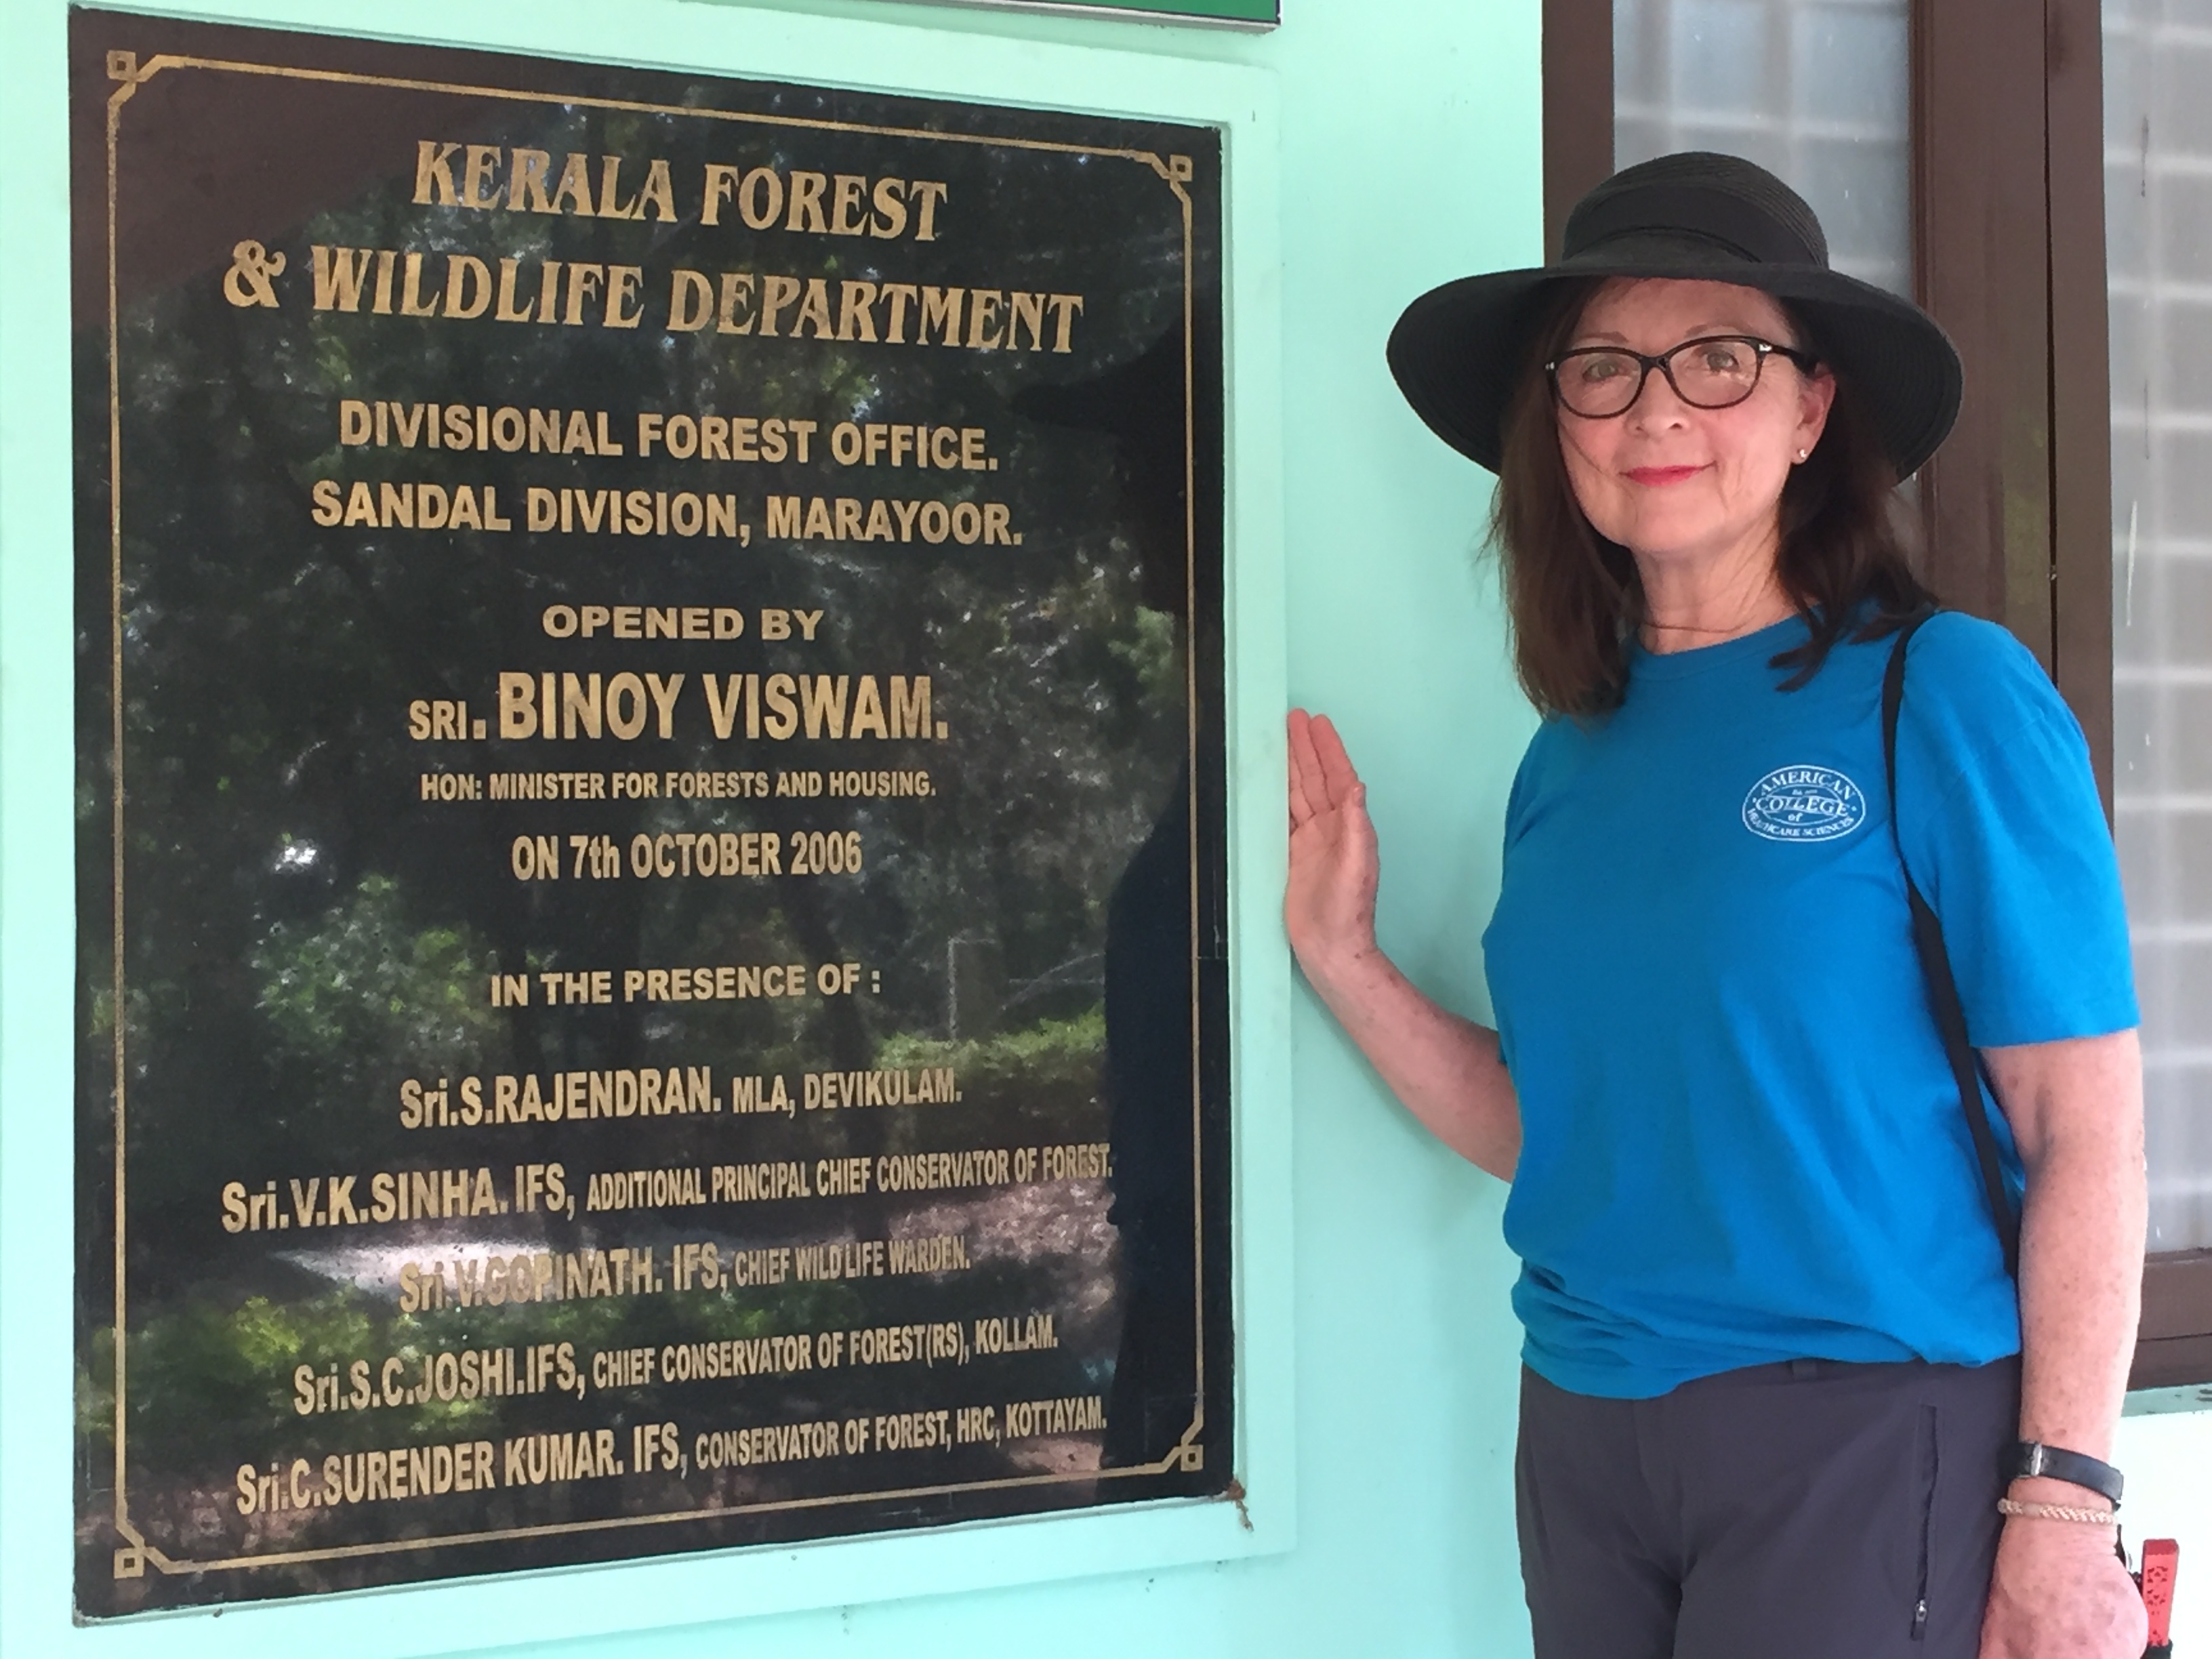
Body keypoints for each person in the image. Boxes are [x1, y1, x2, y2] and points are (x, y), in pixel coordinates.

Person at [1286, 151, 2149, 1658]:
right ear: (1556, 426)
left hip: (1863, 1438)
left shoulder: (1941, 697)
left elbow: (2085, 1129)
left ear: (1812, 409)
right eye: (1604, 370)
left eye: (1720, 360)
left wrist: (2066, 1499)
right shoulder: (1573, 752)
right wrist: (1348, 963)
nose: (1657, 411)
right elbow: (1569, 1126)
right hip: (1585, 1431)